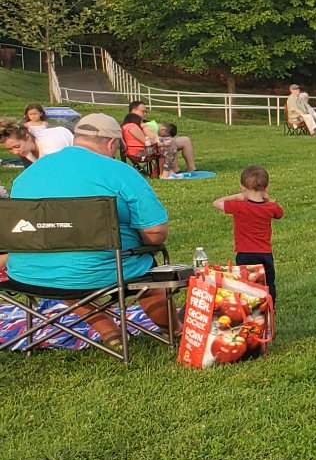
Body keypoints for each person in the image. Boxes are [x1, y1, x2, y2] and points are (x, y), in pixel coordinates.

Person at [4, 112, 173, 332]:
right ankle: (174, 329)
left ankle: (107, 330)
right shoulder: (119, 172)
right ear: (112, 143)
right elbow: (156, 232)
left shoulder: (26, 176)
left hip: (29, 273)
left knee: (63, 262)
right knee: (142, 268)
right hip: (99, 271)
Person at [214, 164, 284, 302]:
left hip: (245, 253)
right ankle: (269, 306)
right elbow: (279, 213)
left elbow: (216, 203)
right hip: (265, 253)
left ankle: (250, 307)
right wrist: (268, 198)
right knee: (268, 282)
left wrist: (239, 196)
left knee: (246, 284)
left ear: (242, 187)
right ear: (267, 188)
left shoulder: (239, 206)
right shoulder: (270, 207)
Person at [120, 104, 159, 173]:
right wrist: (156, 141)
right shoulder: (132, 126)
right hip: (139, 153)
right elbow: (145, 141)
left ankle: (159, 172)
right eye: (140, 121)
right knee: (166, 149)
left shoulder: (124, 127)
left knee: (162, 149)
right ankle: (162, 173)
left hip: (132, 152)